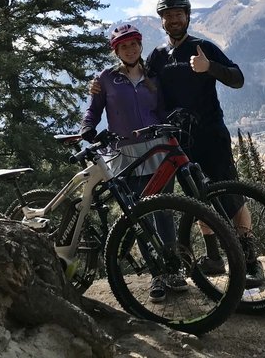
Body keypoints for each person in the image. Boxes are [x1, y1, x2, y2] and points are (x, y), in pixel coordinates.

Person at [145, 0, 264, 287]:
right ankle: (214, 258)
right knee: (198, 198)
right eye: (168, 16)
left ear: (187, 16)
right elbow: (139, 83)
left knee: (231, 197)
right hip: (180, 142)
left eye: (178, 14)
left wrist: (209, 67)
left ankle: (250, 259)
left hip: (211, 134)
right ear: (162, 21)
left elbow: (237, 78)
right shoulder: (158, 56)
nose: (173, 20)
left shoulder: (202, 47)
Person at [80, 23, 187, 303]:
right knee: (140, 215)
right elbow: (92, 111)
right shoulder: (105, 79)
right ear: (116, 51)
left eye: (134, 44)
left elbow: (160, 109)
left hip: (156, 150)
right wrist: (87, 130)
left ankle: (174, 269)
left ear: (140, 46)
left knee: (164, 208)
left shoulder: (152, 75)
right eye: (123, 46)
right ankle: (157, 275)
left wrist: (171, 121)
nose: (130, 49)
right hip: (125, 155)